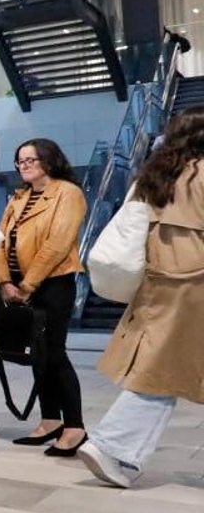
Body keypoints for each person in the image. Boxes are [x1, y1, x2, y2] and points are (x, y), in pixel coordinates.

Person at [79, 108, 204, 487]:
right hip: (197, 283)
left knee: (162, 369)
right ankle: (111, 444)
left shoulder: (155, 177)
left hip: (160, 283)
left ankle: (115, 447)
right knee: (162, 374)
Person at [0, 138, 88, 457]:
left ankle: (74, 427)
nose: (25, 165)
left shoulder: (68, 193)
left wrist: (28, 285)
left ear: (49, 159)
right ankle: (50, 421)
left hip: (53, 284)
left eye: (31, 159)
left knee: (55, 352)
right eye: (20, 161)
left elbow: (58, 244)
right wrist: (5, 281)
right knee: (38, 353)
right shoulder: (18, 197)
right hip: (18, 286)